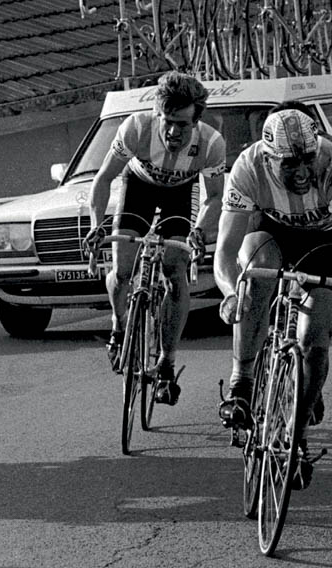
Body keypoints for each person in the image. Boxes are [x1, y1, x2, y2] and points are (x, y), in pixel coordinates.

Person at [214, 108, 332, 477]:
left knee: (314, 338)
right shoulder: (248, 167)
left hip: (322, 242)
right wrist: (229, 292)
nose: (302, 172)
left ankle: (296, 437)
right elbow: (225, 250)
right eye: (290, 164)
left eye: (307, 159)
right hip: (269, 234)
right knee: (256, 274)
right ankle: (242, 381)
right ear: (269, 158)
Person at [84, 71, 226, 405]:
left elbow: (215, 198)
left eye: (183, 124)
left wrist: (199, 232)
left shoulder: (210, 143)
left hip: (180, 195)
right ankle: (119, 327)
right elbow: (103, 179)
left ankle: (166, 361)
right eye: (168, 121)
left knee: (176, 273)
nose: (174, 131)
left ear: (196, 122)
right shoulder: (136, 129)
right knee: (122, 269)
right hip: (139, 188)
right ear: (157, 114)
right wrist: (96, 223)